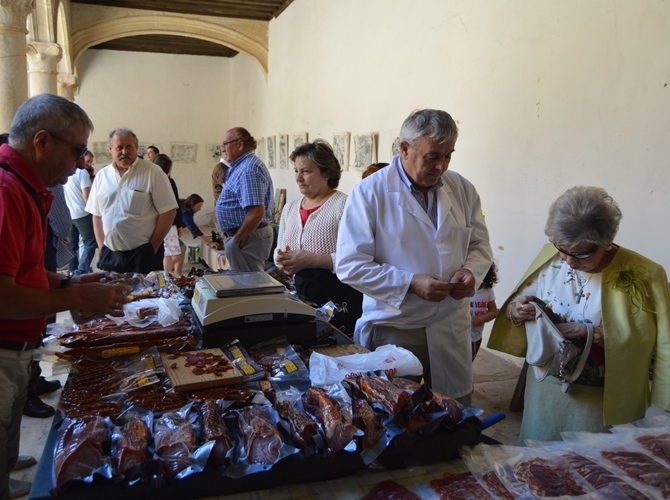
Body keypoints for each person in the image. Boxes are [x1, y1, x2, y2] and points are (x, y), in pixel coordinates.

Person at [0, 94, 130, 500]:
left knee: (8, 429)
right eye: (76, 151)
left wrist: (70, 284)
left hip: (19, 345)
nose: (78, 165)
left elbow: (25, 271)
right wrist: (77, 298)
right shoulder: (6, 191)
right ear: (42, 141)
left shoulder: (26, 187)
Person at [488, 186, 670, 443]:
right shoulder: (552, 259)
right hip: (544, 388)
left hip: (601, 398)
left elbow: (659, 344)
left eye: (582, 253)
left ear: (605, 242)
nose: (569, 260)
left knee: (593, 462)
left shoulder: (645, 274)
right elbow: (514, 308)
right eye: (562, 249)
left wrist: (592, 334)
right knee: (538, 457)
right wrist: (517, 310)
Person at [336, 109, 493, 402]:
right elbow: (350, 265)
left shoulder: (462, 188)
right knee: (396, 411)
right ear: (405, 149)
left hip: (450, 324)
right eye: (433, 156)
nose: (441, 165)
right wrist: (410, 283)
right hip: (397, 326)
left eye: (448, 155)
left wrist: (471, 271)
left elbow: (480, 244)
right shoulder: (369, 193)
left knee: (454, 410)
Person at [275, 140, 363, 334]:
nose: (298, 178)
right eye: (296, 171)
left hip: (338, 295)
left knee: (335, 343)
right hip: (302, 292)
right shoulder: (290, 208)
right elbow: (279, 248)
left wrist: (312, 259)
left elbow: (357, 257)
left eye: (306, 171)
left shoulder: (344, 205)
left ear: (326, 172)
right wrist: (281, 260)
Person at [86, 128, 177, 274]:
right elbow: (97, 216)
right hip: (111, 255)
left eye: (129, 147)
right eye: (119, 147)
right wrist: (102, 248)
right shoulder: (102, 176)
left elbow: (168, 211)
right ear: (110, 149)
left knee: (146, 289)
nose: (125, 152)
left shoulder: (153, 173)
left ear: (136, 148)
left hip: (143, 254)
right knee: (112, 289)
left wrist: (152, 247)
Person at [215, 127, 274, 272]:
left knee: (248, 282)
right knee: (242, 281)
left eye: (225, 144)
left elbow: (256, 212)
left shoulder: (249, 169)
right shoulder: (241, 166)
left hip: (247, 238)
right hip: (244, 237)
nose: (223, 150)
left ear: (240, 144)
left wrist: (237, 239)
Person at [153, 154, 186, 275]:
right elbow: (175, 204)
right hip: (168, 222)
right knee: (170, 253)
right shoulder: (169, 182)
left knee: (165, 252)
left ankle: (164, 274)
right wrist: (179, 224)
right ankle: (164, 275)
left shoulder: (151, 181)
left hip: (154, 222)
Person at [64, 151, 97, 276]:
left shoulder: (68, 170)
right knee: (90, 243)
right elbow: (86, 196)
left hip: (70, 213)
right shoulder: (82, 172)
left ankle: (73, 270)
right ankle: (81, 271)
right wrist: (95, 212)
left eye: (91, 162)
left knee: (72, 245)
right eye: (87, 161)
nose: (89, 164)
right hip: (82, 213)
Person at [470, 262, 498, 361]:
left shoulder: (487, 290)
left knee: (467, 362)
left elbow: (493, 311)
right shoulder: (459, 290)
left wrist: (479, 319)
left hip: (475, 337)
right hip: (457, 336)